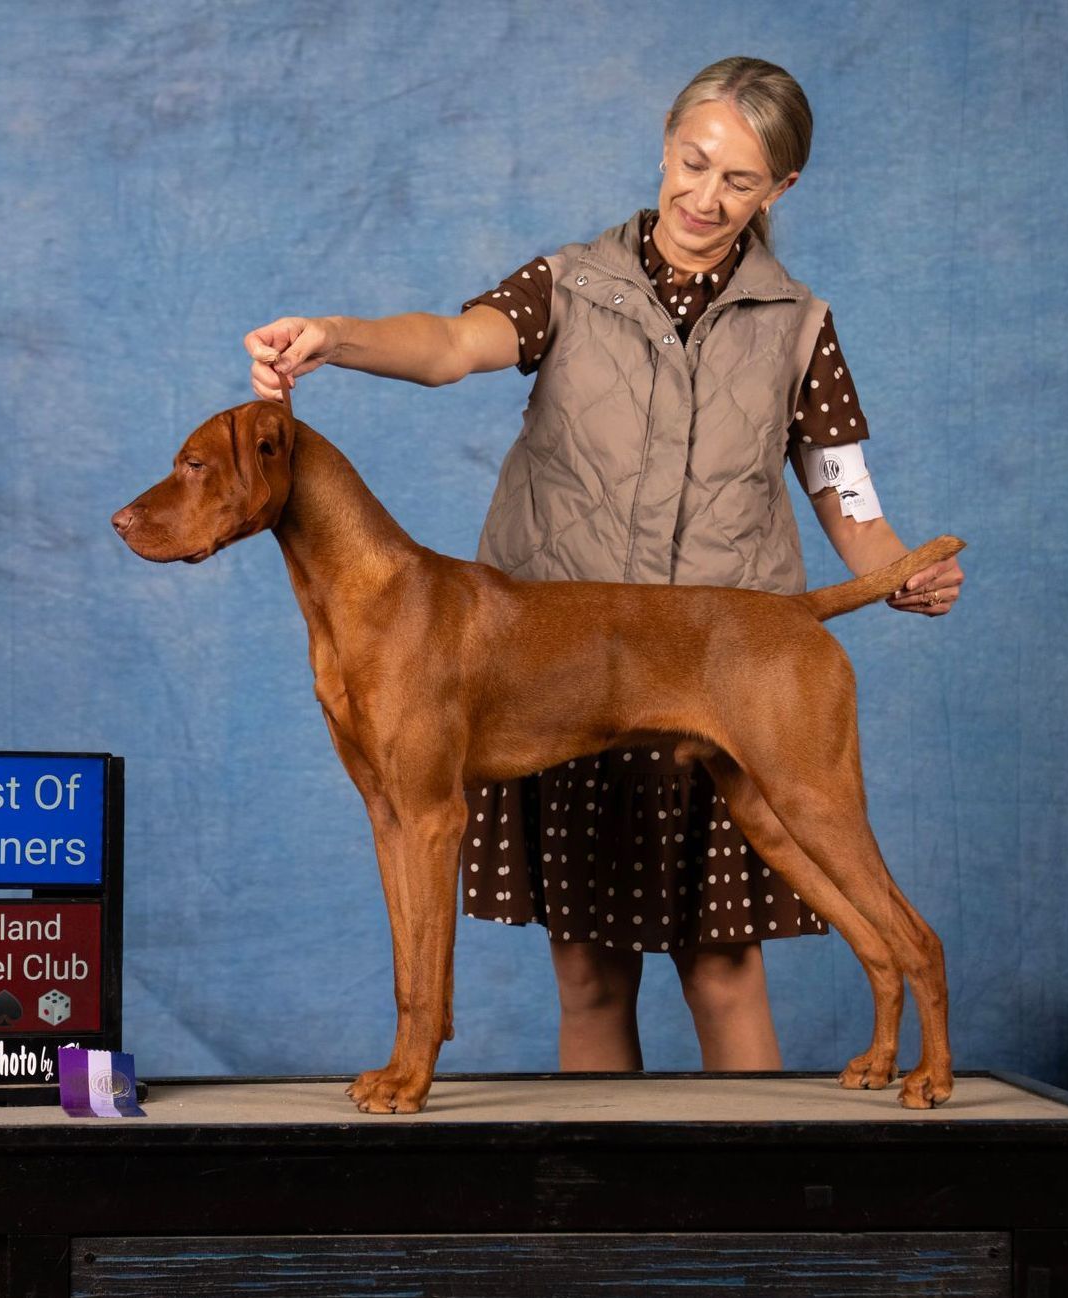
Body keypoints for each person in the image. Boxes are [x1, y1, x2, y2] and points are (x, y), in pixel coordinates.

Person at [244, 56, 964, 1077]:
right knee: (586, 972)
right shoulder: (565, 285)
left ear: (781, 191)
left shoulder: (800, 327)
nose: (704, 198)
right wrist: (335, 337)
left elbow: (852, 508)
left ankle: (747, 1223)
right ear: (665, 143)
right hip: (553, 666)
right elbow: (450, 343)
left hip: (722, 665)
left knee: (721, 966)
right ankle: (606, 1227)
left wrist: (903, 573)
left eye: (738, 181)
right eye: (692, 162)